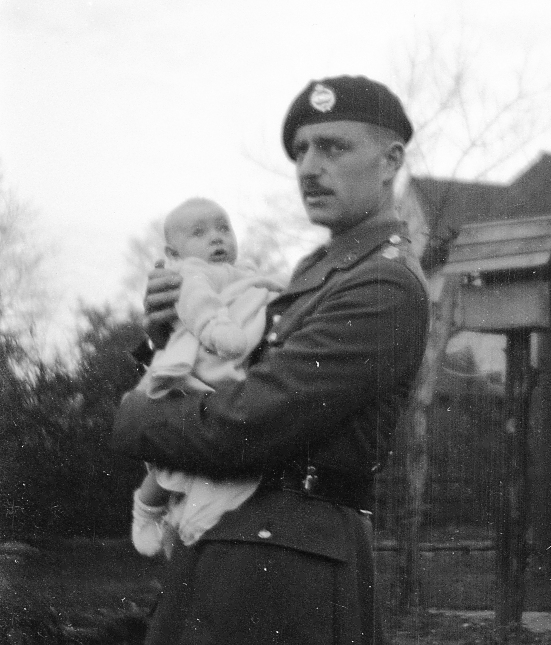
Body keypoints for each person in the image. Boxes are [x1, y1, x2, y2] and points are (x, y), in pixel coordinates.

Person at [112, 75, 430, 645]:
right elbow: (231, 382)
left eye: (333, 147)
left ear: (391, 161)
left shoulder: (383, 285)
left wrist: (135, 417)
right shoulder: (317, 272)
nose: (309, 167)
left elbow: (248, 422)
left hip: (288, 566)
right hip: (238, 544)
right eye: (301, 151)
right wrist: (166, 336)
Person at [131, 197, 285, 556]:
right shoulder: (187, 274)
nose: (216, 238)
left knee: (200, 469)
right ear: (174, 253)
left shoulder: (248, 275)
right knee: (170, 463)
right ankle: (145, 510)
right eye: (199, 233)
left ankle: (181, 526)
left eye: (223, 228)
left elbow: (274, 289)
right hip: (192, 372)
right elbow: (198, 303)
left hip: (229, 377)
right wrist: (216, 328)